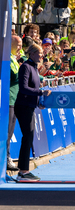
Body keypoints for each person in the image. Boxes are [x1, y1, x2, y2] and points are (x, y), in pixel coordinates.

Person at [14, 44, 51, 181]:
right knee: (27, 137)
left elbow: (32, 89)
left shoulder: (35, 68)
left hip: (30, 106)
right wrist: (41, 92)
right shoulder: (25, 66)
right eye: (40, 53)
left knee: (29, 137)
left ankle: (23, 171)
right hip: (23, 106)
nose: (42, 56)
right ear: (32, 53)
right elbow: (24, 88)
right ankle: (23, 171)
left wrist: (38, 102)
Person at [7, 35, 22, 171]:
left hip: (15, 99)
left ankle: (7, 157)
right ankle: (6, 159)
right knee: (7, 132)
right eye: (18, 45)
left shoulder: (14, 59)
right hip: (8, 99)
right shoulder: (7, 59)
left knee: (10, 132)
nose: (20, 48)